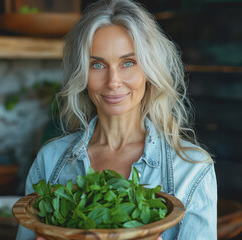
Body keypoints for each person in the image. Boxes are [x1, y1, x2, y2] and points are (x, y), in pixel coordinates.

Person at [16, 0, 217, 239]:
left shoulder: (191, 168)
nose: (113, 81)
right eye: (98, 64)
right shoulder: (49, 161)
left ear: (149, 71)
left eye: (128, 63)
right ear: (82, 74)